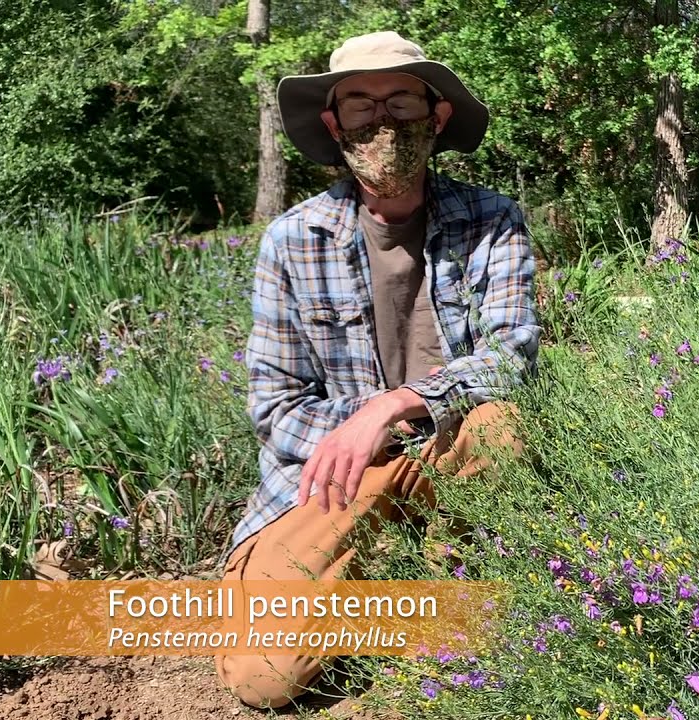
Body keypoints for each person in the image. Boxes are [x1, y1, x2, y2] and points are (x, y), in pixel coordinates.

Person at [214, 31, 540, 709]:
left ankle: (449, 581)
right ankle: (383, 583)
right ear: (334, 125)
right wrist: (368, 433)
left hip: (450, 450)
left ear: (437, 117)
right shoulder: (293, 239)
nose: (382, 122)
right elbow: (275, 407)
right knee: (264, 677)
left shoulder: (492, 220)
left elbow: (512, 357)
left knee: (500, 425)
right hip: (346, 474)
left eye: (401, 101)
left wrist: (392, 404)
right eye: (360, 104)